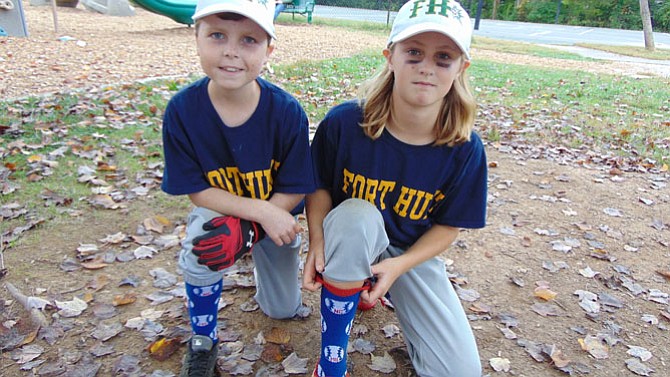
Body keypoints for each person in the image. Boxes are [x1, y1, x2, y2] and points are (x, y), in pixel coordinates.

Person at [303, 0, 488, 376]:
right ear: (390, 56)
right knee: (357, 214)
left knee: (459, 372)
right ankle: (332, 362)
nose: (426, 68)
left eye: (443, 57)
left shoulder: (464, 147)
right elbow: (319, 186)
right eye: (414, 52)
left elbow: (448, 227)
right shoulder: (345, 122)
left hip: (406, 252)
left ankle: (367, 286)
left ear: (461, 67)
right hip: (349, 237)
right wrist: (318, 240)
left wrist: (399, 266)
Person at [160, 0, 315, 375]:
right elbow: (197, 190)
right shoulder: (182, 110)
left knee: (280, 309)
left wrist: (265, 220)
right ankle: (203, 340)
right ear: (196, 38)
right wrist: (255, 214)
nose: (231, 50)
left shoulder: (285, 111)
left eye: (249, 39)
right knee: (204, 238)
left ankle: (268, 278)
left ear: (268, 50)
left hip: (278, 219)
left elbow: (296, 187)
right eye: (217, 35)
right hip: (229, 213)